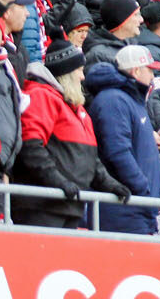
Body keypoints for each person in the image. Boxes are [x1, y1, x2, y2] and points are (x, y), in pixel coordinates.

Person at [13, 43, 132, 227]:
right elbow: (31, 146)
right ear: (66, 73)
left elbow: (89, 158)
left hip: (69, 203)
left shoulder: (77, 109)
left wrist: (110, 184)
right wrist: (58, 181)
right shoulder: (41, 96)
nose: (82, 77)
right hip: (42, 206)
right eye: (79, 70)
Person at [85, 46, 160, 235]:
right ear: (136, 71)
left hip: (137, 209)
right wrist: (143, 189)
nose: (153, 76)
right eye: (150, 69)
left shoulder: (129, 99)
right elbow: (117, 152)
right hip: (123, 211)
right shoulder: (113, 100)